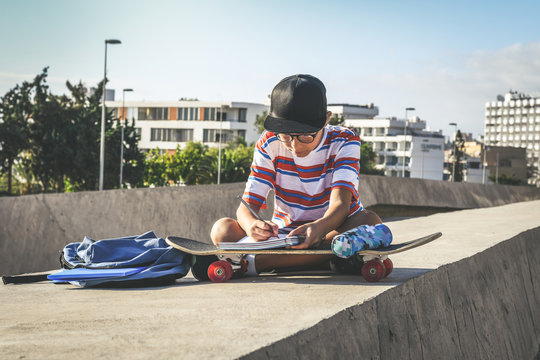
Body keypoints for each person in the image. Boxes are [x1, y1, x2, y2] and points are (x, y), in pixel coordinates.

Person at [210, 74, 383, 275]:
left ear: (326, 119)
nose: (295, 145)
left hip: (331, 231)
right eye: (286, 136)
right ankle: (324, 260)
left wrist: (319, 229)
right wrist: (252, 226)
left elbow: (341, 205)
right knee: (222, 230)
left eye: (305, 136)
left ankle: (260, 263)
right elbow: (246, 207)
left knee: (369, 221)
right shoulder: (269, 142)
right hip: (285, 236)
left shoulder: (345, 140)